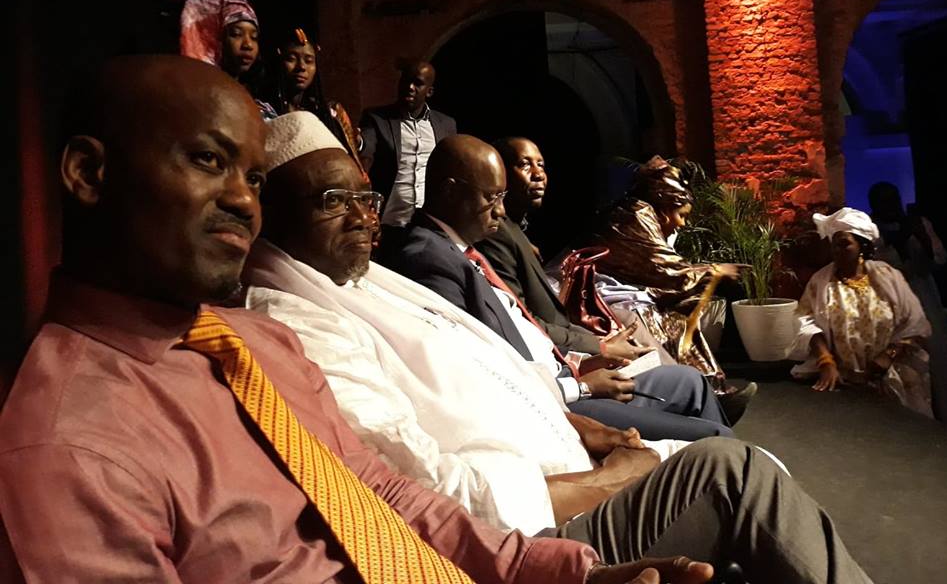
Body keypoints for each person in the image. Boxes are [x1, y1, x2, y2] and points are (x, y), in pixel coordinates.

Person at [0, 54, 703, 583]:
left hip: (488, 550)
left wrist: (554, 573)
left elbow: (384, 493)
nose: (243, 202)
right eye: (208, 160)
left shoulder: (257, 342)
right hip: (531, 499)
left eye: (252, 178)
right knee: (726, 478)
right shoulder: (69, 449)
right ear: (89, 174)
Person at [246, 112, 686, 535]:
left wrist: (579, 426)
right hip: (542, 525)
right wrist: (612, 480)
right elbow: (424, 491)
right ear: (269, 210)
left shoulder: (364, 278)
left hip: (574, 451)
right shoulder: (293, 329)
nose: (363, 219)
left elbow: (487, 368)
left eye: (364, 199)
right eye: (334, 201)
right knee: (719, 466)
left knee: (718, 444)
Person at [380, 135, 736, 441]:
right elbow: (480, 369)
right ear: (449, 191)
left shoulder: (460, 248)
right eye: (491, 197)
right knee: (715, 438)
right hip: (555, 404)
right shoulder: (428, 258)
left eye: (502, 197)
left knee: (690, 381)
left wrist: (582, 359)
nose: (500, 211)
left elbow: (520, 326)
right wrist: (581, 384)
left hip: (566, 371)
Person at [478, 138, 754, 426]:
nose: (538, 174)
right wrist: (600, 348)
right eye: (524, 164)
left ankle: (708, 396)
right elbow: (663, 269)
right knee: (649, 329)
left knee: (669, 338)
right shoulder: (635, 215)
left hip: (577, 334)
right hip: (582, 327)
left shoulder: (515, 231)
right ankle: (700, 411)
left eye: (541, 165)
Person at [591, 156, 748, 396]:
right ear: (665, 208)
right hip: (600, 294)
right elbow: (664, 269)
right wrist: (715, 271)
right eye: (681, 215)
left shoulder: (649, 217)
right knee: (658, 320)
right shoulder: (635, 215)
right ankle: (690, 392)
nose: (683, 224)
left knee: (677, 319)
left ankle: (706, 390)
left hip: (623, 292)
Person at [788, 208, 934, 418]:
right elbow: (806, 320)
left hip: (889, 378)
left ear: (862, 246)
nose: (837, 250)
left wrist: (888, 355)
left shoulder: (888, 277)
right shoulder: (822, 282)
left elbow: (915, 323)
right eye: (834, 244)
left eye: (844, 244)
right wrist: (825, 360)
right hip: (843, 382)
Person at [868, 181, 947, 427]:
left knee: (939, 360)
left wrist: (917, 235)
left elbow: (939, 260)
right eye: (883, 200)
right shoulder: (871, 230)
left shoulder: (917, 225)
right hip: (890, 302)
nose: (890, 205)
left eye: (893, 199)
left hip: (924, 297)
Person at [360, 59, 456, 229]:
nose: (410, 87)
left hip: (429, 223)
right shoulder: (377, 118)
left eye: (417, 83)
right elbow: (366, 147)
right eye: (406, 81)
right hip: (389, 221)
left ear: (429, 91)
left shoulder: (446, 125)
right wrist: (357, 142)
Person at [271, 26, 365, 174]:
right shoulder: (265, 110)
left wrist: (356, 140)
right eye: (291, 59)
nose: (301, 67)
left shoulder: (330, 112)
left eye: (309, 61)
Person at [180, 0, 278, 119]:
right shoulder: (201, 100)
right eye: (236, 34)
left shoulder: (259, 104)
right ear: (213, 39)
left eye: (254, 37)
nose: (248, 45)